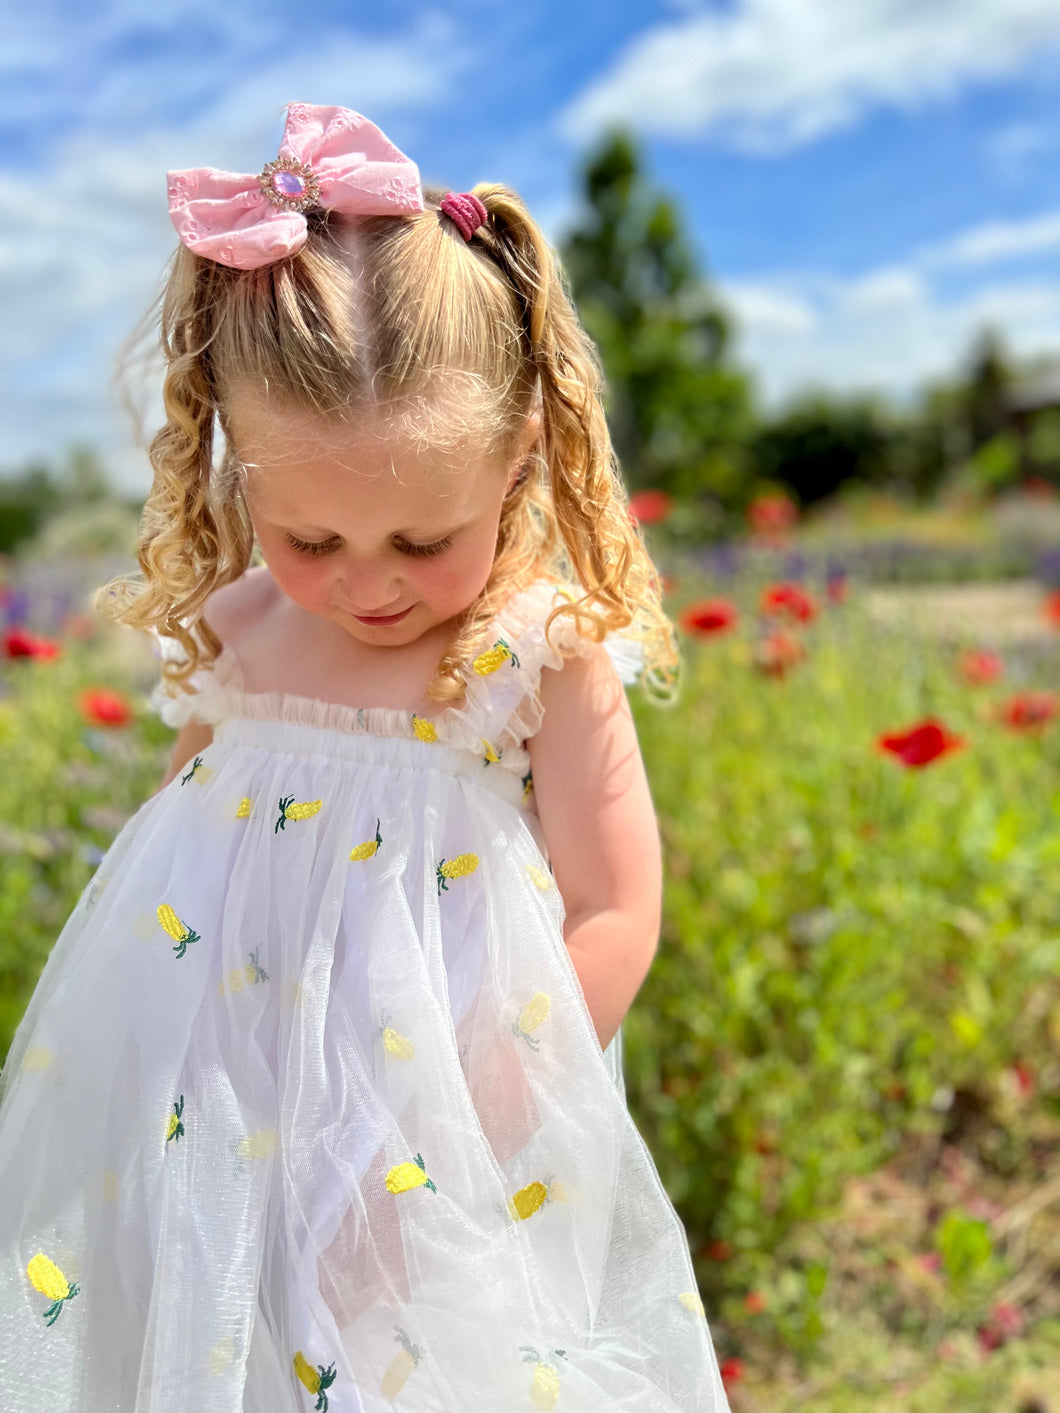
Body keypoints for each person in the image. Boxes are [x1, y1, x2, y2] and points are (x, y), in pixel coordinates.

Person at [0, 102, 731, 1412]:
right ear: (238, 469)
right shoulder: (241, 628)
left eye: (419, 538)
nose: (367, 587)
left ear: (516, 457)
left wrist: (457, 1143)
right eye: (312, 538)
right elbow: (176, 844)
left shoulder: (532, 655)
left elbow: (619, 905)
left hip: (450, 1117)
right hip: (225, 1093)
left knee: (414, 1363)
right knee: (215, 1338)